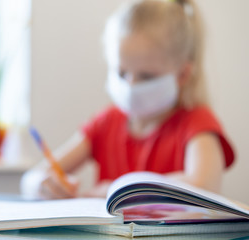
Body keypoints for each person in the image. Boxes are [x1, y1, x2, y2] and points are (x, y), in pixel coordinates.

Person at [21, 0, 235, 200]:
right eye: (122, 73)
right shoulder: (106, 122)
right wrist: (40, 184)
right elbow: (32, 178)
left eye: (146, 76)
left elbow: (204, 186)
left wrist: (118, 191)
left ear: (183, 75)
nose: (131, 85)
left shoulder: (197, 123)